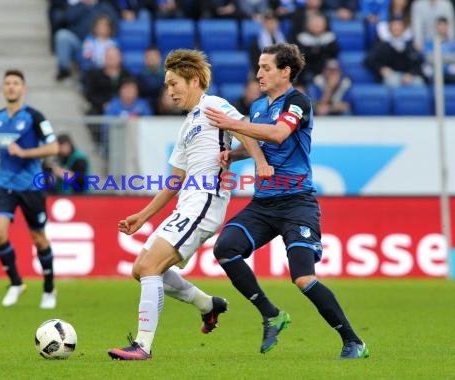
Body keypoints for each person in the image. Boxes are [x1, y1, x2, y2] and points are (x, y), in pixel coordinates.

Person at [204, 43, 369, 359]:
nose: (258, 74)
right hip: (264, 204)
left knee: (303, 277)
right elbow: (260, 145)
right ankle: (271, 314)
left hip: (297, 204)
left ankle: (353, 341)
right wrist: (234, 154)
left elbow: (279, 135)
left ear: (285, 71)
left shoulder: (298, 102)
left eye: (266, 68)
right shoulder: (256, 107)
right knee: (225, 248)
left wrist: (231, 123)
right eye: (258, 67)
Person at [107, 49, 273, 361]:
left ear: (194, 80)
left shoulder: (214, 105)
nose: (169, 91)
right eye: (167, 85)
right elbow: (174, 181)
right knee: (140, 269)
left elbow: (247, 130)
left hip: (206, 201)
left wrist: (261, 162)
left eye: (174, 84)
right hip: (187, 204)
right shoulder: (187, 126)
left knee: (149, 267)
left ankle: (143, 346)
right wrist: (142, 216)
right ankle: (208, 305)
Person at [0, 69, 60, 309]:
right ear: (3, 88)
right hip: (5, 184)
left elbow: (54, 147)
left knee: (38, 238)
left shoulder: (36, 117)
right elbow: (1, 141)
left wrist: (25, 153)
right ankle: (16, 283)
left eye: (16, 83)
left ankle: (48, 288)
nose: (11, 87)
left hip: (30, 186)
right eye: (7, 83)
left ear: (23, 88)